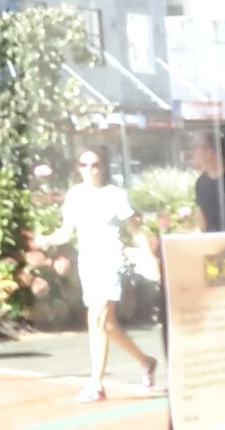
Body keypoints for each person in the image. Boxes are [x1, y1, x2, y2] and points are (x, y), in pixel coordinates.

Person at [36, 147, 159, 403]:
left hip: (110, 263)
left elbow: (136, 231)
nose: (90, 170)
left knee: (97, 319)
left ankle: (96, 385)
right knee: (108, 326)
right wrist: (45, 240)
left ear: (104, 167)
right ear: (78, 167)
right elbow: (65, 233)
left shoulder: (115, 195)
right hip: (88, 265)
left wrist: (150, 259)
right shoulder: (75, 195)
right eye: (84, 164)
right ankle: (146, 362)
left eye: (95, 164)